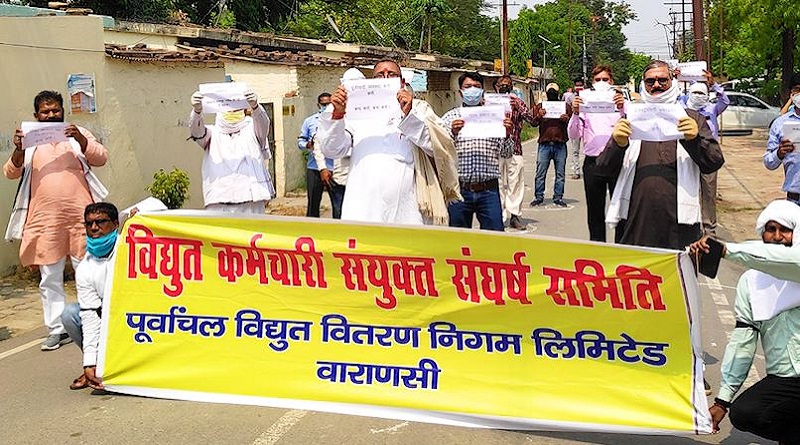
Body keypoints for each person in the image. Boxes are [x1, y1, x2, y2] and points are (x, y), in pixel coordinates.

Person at [4, 90, 108, 351]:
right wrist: (18, 149)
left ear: (63, 111)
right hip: (44, 220)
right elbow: (10, 172)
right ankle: (57, 328)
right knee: (49, 276)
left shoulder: (77, 135)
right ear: (36, 116)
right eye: (45, 112)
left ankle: (96, 317)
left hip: (80, 218)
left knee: (89, 271)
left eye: (55, 111)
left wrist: (81, 140)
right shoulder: (29, 141)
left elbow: (101, 158)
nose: (51, 115)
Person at [690, 200, 800, 443]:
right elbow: (743, 342)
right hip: (785, 380)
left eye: (786, 229)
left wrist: (725, 250)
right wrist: (722, 401)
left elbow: (789, 260)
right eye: (771, 230)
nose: (778, 236)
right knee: (745, 413)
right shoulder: (752, 283)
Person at [597, 60, 724, 250]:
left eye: (662, 80)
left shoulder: (691, 117)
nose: (656, 85)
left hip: (681, 224)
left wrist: (694, 139)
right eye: (650, 81)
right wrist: (618, 144)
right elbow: (603, 168)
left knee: (679, 276)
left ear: (672, 81)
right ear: (643, 84)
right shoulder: (631, 118)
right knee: (634, 277)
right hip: (635, 221)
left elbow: (713, 162)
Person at [316, 60, 436, 225]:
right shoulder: (355, 112)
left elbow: (435, 147)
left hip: (408, 211)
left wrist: (409, 116)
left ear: (402, 82)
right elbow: (332, 150)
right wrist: (337, 115)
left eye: (392, 74)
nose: (385, 77)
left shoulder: (420, 109)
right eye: (380, 75)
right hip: (364, 211)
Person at [441, 72, 513, 231]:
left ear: (482, 91)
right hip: (458, 190)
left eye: (477, 87)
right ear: (460, 91)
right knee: (458, 240)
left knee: (494, 239)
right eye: (468, 87)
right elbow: (440, 150)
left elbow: (507, 154)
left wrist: (507, 134)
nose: (472, 90)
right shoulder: (449, 118)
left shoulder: (495, 118)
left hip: (489, 190)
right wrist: (452, 133)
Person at [61, 202, 120, 390]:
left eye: (101, 222)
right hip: (104, 320)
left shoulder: (131, 249)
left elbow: (155, 205)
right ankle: (96, 367)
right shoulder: (85, 266)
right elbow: (89, 314)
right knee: (70, 313)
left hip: (131, 320)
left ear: (116, 223)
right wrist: (89, 362)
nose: (94, 228)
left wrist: (137, 214)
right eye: (89, 223)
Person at [188, 88, 274, 214]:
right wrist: (196, 111)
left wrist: (256, 107)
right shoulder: (212, 133)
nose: (231, 111)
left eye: (235, 107)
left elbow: (263, 124)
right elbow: (196, 131)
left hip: (250, 201)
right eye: (228, 107)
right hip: (220, 202)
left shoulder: (252, 130)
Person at [568, 66, 625, 242]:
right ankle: (598, 249)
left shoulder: (621, 103)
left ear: (612, 82)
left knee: (621, 210)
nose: (602, 83)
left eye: (605, 80)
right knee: (594, 211)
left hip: (618, 162)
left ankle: (621, 250)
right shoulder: (585, 102)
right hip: (593, 162)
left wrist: (622, 108)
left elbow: (632, 127)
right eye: (598, 80)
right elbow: (573, 134)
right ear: (592, 82)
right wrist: (576, 113)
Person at [679, 70, 730, 235]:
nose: (698, 95)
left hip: (707, 155)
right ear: (689, 94)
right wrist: (676, 78)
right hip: (687, 155)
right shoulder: (682, 109)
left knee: (708, 193)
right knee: (687, 190)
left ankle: (709, 230)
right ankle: (689, 224)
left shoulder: (712, 109)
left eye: (702, 92)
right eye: (695, 92)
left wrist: (713, 84)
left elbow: (725, 100)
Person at [493, 75, 536, 230]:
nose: (504, 87)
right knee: (497, 184)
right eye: (501, 84)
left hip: (515, 148)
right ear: (496, 86)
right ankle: (498, 216)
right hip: (494, 150)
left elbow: (532, 119)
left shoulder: (517, 102)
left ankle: (515, 216)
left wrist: (517, 105)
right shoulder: (488, 103)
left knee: (515, 183)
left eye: (508, 85)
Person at [530, 83, 571, 208]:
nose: (552, 93)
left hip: (560, 143)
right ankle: (538, 196)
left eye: (554, 91)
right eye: (550, 91)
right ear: (546, 94)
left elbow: (572, 122)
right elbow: (533, 123)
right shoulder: (541, 107)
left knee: (560, 173)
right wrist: (538, 115)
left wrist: (567, 119)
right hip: (545, 143)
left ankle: (558, 197)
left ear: (558, 93)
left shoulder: (565, 106)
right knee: (540, 172)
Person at [298, 93, 337, 218]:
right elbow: (300, 142)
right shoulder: (310, 121)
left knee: (337, 203)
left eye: (328, 104)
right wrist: (308, 145)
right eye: (323, 104)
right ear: (318, 105)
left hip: (334, 167)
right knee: (313, 203)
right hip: (314, 167)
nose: (326, 107)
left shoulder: (338, 120)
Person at [765, 72, 800, 206]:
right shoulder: (780, 124)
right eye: (797, 89)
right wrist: (779, 153)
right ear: (792, 93)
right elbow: (769, 163)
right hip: (795, 198)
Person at [563, 77, 585, 180]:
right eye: (577, 85)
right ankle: (576, 171)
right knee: (575, 150)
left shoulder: (588, 96)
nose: (579, 87)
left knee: (587, 150)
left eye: (580, 85)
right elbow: (566, 109)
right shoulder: (570, 97)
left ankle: (588, 170)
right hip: (575, 125)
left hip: (586, 126)